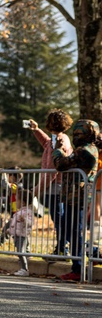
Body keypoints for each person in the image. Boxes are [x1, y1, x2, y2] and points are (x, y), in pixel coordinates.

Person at [52, 119, 99, 282]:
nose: (76, 136)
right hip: (74, 195)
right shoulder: (90, 148)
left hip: (77, 196)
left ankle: (78, 268)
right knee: (68, 229)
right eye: (75, 133)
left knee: (74, 231)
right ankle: (94, 253)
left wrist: (57, 151)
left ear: (89, 134)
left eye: (80, 133)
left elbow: (61, 164)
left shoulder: (84, 150)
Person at [26, 110, 72, 255]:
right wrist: (36, 130)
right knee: (60, 218)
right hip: (57, 186)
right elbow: (46, 143)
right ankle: (62, 247)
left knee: (59, 219)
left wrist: (35, 191)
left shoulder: (58, 142)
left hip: (56, 186)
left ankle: (62, 249)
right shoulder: (59, 138)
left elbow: (52, 171)